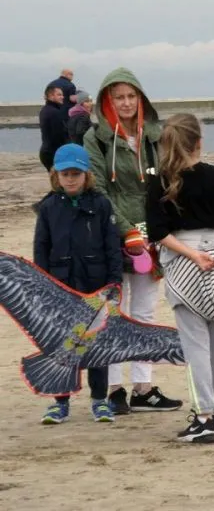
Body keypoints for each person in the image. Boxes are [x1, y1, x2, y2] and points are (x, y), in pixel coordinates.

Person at [83, 67, 183, 414]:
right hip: (110, 233)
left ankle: (143, 387)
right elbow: (98, 187)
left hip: (152, 233)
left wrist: (162, 225)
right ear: (106, 102)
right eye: (118, 98)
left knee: (144, 312)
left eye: (131, 96)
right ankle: (113, 389)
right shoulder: (95, 139)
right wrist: (127, 230)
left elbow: (171, 178)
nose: (125, 103)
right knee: (113, 311)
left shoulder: (156, 135)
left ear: (140, 99)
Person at [146, 113, 214, 443]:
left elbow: (158, 232)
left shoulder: (160, 181)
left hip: (184, 262)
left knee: (196, 349)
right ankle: (213, 414)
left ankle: (204, 417)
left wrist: (191, 253)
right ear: (199, 142)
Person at [33, 143, 122, 425]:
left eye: (76, 174)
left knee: (96, 344)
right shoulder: (48, 207)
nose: (70, 179)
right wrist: (42, 286)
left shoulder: (101, 204)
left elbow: (112, 246)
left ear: (86, 175)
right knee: (61, 345)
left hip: (96, 286)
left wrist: (115, 282)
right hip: (60, 287)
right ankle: (60, 402)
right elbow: (41, 248)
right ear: (56, 176)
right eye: (65, 174)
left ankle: (100, 400)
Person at [38, 84, 67, 171]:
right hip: (53, 153)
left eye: (62, 95)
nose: (62, 97)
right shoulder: (55, 112)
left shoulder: (44, 110)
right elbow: (58, 136)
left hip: (45, 152)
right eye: (59, 95)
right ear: (51, 96)